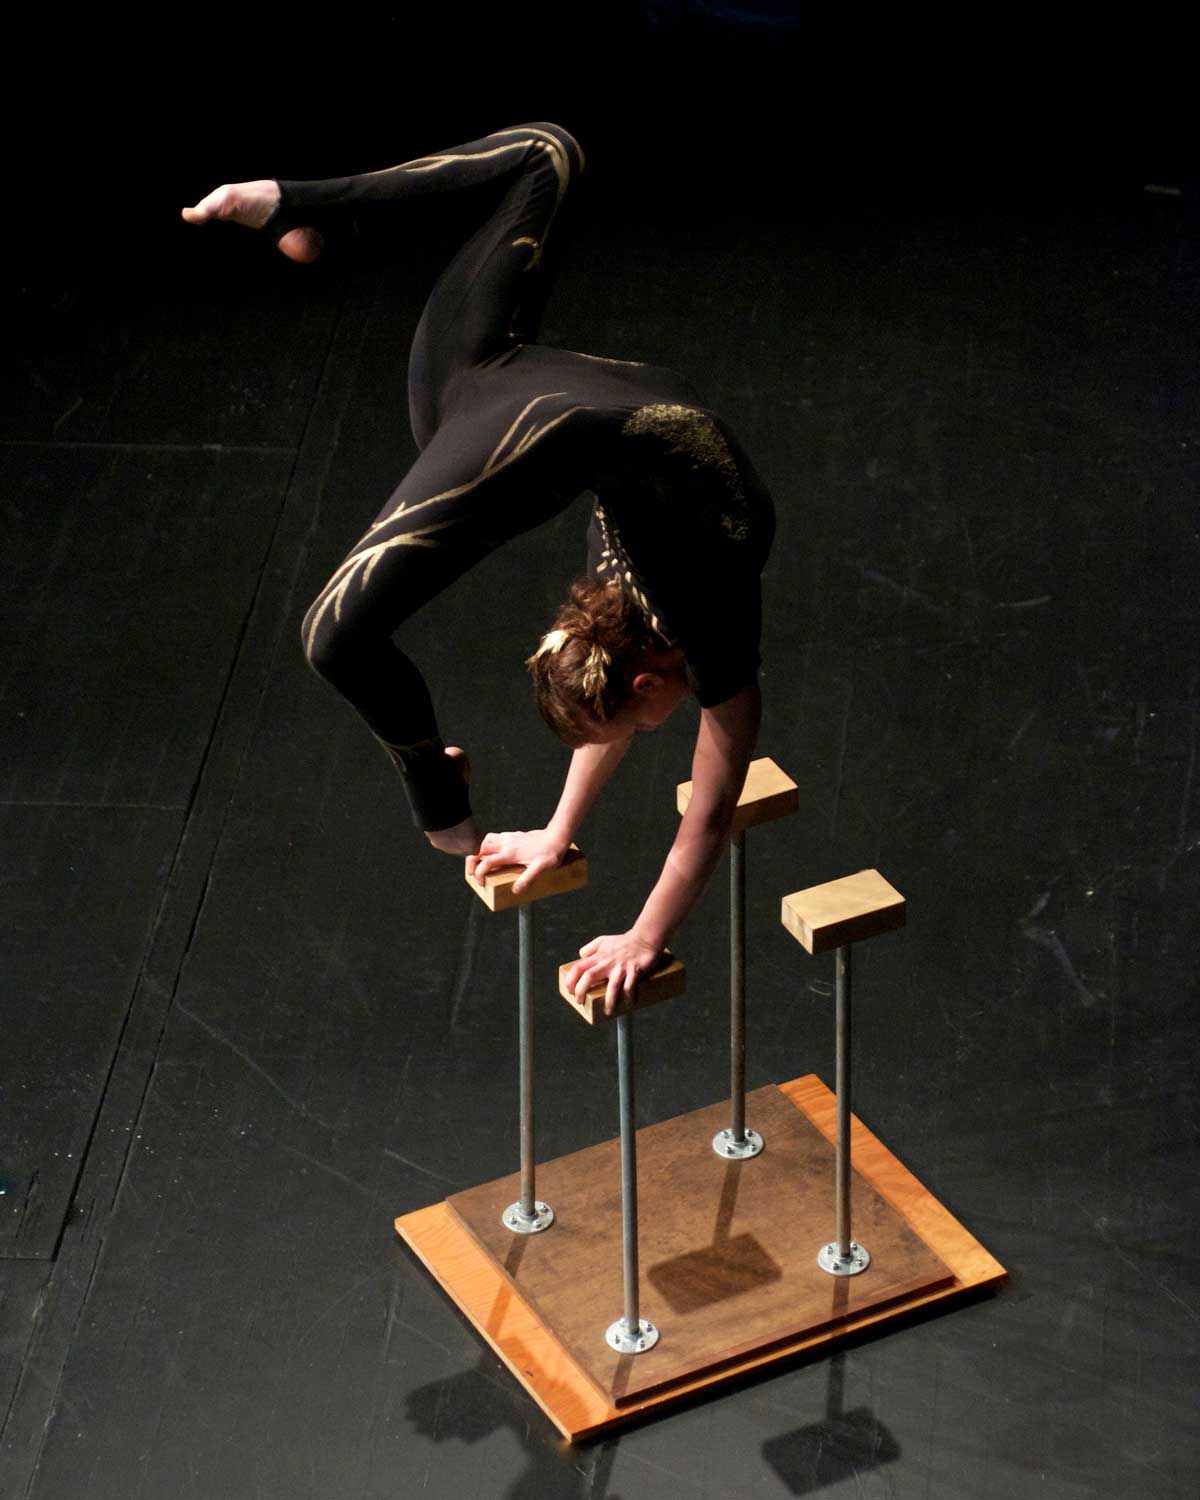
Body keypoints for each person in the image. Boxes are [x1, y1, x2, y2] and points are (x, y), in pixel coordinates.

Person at [182, 122, 774, 1014]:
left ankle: (289, 206)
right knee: (332, 638)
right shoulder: (694, 619)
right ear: (643, 669)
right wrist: (564, 843)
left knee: (551, 153)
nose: (658, 728)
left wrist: (641, 926)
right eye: (651, 721)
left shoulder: (664, 614)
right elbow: (698, 804)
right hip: (498, 400)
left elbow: (702, 808)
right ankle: (297, 209)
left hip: (498, 401)